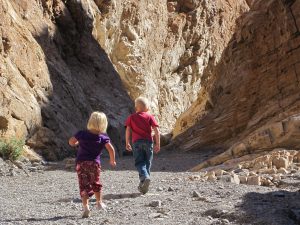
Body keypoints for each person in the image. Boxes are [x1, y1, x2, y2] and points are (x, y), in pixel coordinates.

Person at [69, 111, 116, 218]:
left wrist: (77, 143)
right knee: (96, 182)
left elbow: (71, 142)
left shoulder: (81, 134)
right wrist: (112, 160)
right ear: (104, 124)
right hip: (95, 164)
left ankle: (86, 207)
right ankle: (99, 202)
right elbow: (111, 149)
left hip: (81, 163)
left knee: (83, 185)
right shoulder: (103, 137)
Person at [125, 97, 160, 194]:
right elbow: (156, 130)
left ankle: (144, 180)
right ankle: (145, 181)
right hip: (148, 142)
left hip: (136, 143)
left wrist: (127, 142)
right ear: (147, 107)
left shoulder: (131, 117)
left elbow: (128, 130)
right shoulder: (150, 116)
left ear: (136, 108)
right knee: (147, 163)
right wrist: (158, 144)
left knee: (140, 162)